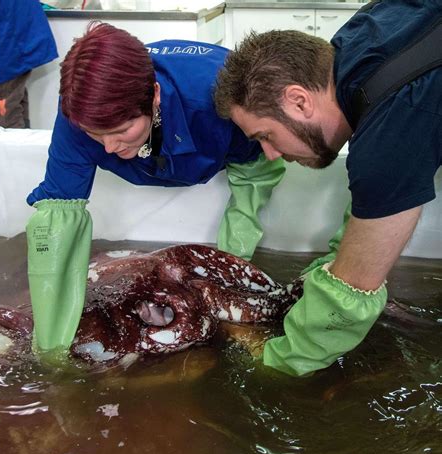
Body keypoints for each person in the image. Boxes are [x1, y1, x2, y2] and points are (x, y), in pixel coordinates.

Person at [214, 0, 442, 376]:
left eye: (266, 136)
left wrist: (273, 364)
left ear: (299, 100)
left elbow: (352, 292)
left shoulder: (391, 123)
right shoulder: (357, 43)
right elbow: (372, 203)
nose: (270, 155)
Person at [26, 23, 285, 351]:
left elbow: (255, 173)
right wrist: (51, 345)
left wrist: (230, 267)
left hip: (209, 116)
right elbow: (56, 219)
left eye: (122, 129)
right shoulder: (79, 117)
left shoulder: (220, 99)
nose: (108, 147)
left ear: (155, 96)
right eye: (95, 134)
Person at [0, 0, 58, 128]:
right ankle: (22, 142)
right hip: (17, 40)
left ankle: (12, 144)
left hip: (11, 44)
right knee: (15, 101)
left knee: (4, 103)